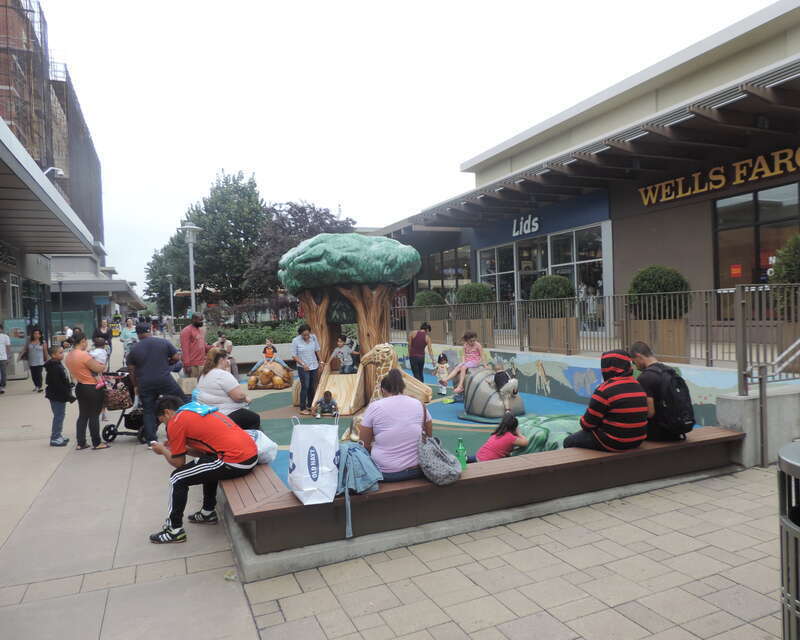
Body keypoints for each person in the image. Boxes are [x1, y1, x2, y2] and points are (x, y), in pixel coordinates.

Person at [148, 395, 258, 544]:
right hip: (249, 455)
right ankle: (207, 512)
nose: (165, 425)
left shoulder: (176, 421)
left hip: (234, 460)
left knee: (177, 478)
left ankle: (174, 530)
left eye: (163, 421)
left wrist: (162, 450)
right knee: (205, 464)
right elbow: (204, 451)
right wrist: (183, 448)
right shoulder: (197, 410)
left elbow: (179, 463)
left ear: (167, 412)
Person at [563, 350, 648, 452]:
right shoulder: (638, 386)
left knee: (568, 441)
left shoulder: (604, 390)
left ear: (606, 367)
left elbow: (587, 424)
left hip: (614, 443)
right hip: (637, 440)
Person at [360, 369, 433, 481]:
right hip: (418, 468)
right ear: (402, 388)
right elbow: (429, 435)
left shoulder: (375, 407)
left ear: (383, 390)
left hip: (386, 472)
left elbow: (363, 444)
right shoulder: (418, 404)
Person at [127, 322, 185, 443]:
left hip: (144, 383)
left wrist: (136, 386)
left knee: (148, 410)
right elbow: (176, 357)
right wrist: (167, 363)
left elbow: (131, 371)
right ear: (150, 331)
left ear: (138, 334)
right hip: (164, 380)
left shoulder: (133, 349)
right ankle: (179, 433)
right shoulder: (163, 342)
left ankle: (151, 440)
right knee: (180, 403)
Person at [630, 341, 695, 441]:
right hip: (675, 430)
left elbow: (650, 413)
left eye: (634, 362)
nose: (635, 366)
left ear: (639, 356)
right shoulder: (670, 371)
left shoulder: (645, 377)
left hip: (658, 435)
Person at [65, 330, 110, 450]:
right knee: (94, 415)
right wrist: (103, 363)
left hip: (80, 386)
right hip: (92, 387)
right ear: (83, 341)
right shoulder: (83, 355)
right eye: (86, 342)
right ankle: (97, 442)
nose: (87, 345)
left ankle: (81, 442)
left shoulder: (69, 356)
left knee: (83, 415)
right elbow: (99, 368)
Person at [195, 348, 261, 430]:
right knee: (254, 419)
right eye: (227, 358)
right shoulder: (222, 375)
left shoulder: (203, 374)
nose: (228, 361)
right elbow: (238, 396)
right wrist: (246, 398)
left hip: (209, 413)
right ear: (222, 359)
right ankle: (247, 440)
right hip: (224, 413)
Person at [292, 323, 324, 415]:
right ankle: (302, 408)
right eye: (304, 335)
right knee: (305, 386)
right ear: (300, 334)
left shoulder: (313, 337)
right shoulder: (295, 341)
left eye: (307, 334)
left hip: (314, 365)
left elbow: (317, 350)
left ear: (310, 332)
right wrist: (303, 364)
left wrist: (321, 361)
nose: (306, 336)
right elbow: (294, 356)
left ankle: (310, 405)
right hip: (303, 367)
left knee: (311, 386)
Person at [44, 345, 72, 447]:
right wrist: (66, 393)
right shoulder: (54, 367)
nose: (63, 354)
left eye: (62, 352)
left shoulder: (57, 364)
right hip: (57, 396)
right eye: (60, 353)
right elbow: (57, 383)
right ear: (53, 355)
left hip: (59, 395)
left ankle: (58, 435)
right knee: (58, 416)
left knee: (60, 415)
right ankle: (55, 438)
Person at [180, 313, 211, 378]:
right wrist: (187, 365)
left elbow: (203, 346)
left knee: (201, 385)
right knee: (193, 386)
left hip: (201, 363)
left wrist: (214, 347)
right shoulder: (186, 331)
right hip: (192, 365)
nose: (202, 322)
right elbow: (185, 349)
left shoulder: (200, 330)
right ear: (193, 320)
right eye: (200, 320)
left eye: (202, 320)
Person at [20, 327, 47, 392]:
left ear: (40, 335)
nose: (36, 335)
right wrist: (21, 355)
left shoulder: (43, 342)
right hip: (31, 361)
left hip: (40, 361)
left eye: (38, 334)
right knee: (33, 375)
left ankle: (40, 387)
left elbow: (45, 352)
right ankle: (36, 386)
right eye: (35, 334)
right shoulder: (29, 342)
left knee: (39, 374)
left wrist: (46, 360)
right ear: (32, 334)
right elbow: (25, 349)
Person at [0, 323, 9, 395]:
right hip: (3, 358)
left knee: (3, 373)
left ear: (1, 329)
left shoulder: (5, 337)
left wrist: (8, 357)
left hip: (3, 358)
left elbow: (7, 347)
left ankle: (2, 387)